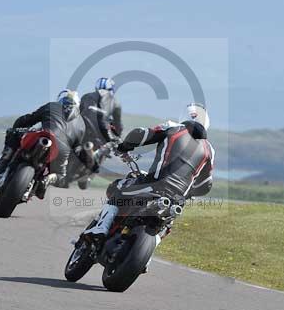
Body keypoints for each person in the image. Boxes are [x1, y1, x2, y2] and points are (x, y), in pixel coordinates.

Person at [82, 102, 215, 238]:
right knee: (165, 226)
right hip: (177, 199)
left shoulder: (173, 128)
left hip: (154, 185)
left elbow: (140, 135)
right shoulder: (209, 150)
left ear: (184, 115)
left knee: (118, 188)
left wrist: (123, 147)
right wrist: (188, 193)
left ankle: (101, 228)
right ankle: (147, 257)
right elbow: (205, 185)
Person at [0, 89, 86, 198]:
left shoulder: (52, 106)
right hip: (62, 150)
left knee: (12, 134)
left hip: (43, 135)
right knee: (60, 175)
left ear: (60, 100)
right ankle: (47, 179)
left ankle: (3, 161)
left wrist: (15, 129)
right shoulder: (81, 124)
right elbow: (77, 147)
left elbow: (28, 119)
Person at [73, 77, 124, 187]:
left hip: (83, 125)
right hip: (101, 129)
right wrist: (118, 136)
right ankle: (94, 165)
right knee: (110, 144)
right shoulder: (115, 102)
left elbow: (78, 112)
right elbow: (118, 124)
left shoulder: (86, 96)